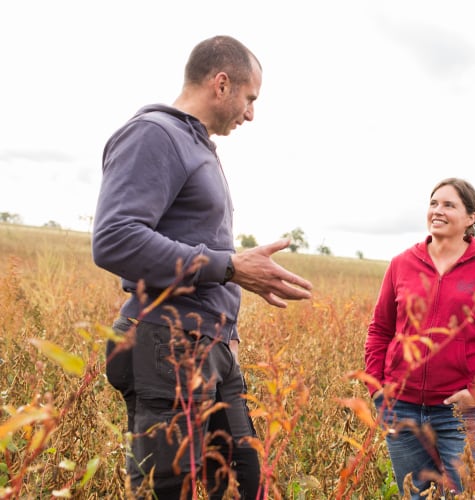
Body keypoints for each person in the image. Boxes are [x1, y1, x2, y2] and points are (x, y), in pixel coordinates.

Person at [92, 35, 313, 499]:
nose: (251, 113)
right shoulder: (155, 134)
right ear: (221, 83)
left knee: (243, 480)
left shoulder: (198, 146)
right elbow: (115, 238)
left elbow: (199, 252)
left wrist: (231, 275)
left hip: (212, 343)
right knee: (175, 488)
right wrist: (229, 267)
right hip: (168, 342)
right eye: (250, 98)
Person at [364, 177, 475, 499]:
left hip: (462, 412)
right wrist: (378, 389)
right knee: (415, 495)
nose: (438, 210)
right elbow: (380, 329)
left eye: (449, 205)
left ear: (470, 218)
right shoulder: (401, 264)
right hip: (402, 409)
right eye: (433, 203)